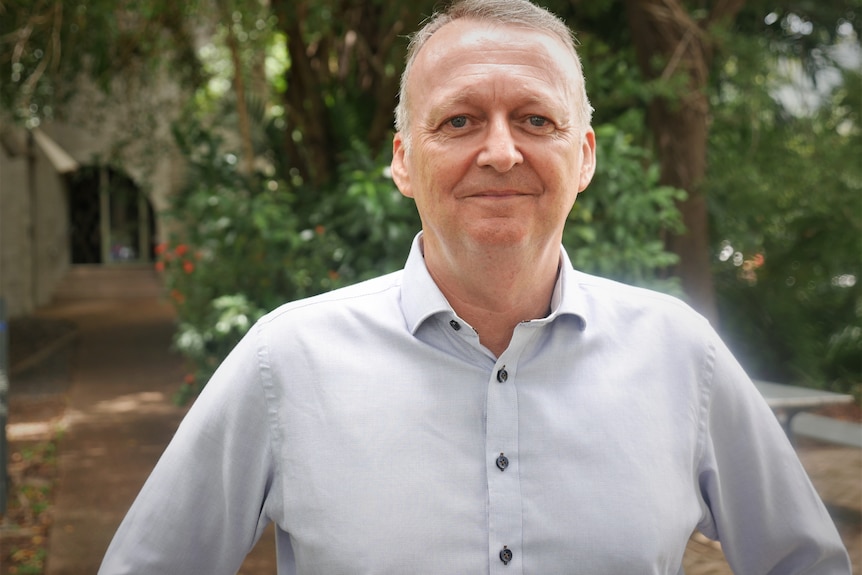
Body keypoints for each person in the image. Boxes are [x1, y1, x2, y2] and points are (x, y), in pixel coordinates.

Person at [99, 0, 851, 573]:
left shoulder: (680, 352)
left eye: (534, 119)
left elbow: (803, 560)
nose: (499, 152)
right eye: (459, 120)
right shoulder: (285, 360)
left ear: (583, 156)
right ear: (402, 159)